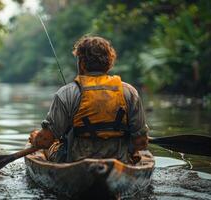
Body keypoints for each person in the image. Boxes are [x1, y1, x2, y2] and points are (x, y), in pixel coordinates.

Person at [29, 36, 149, 164]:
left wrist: (36, 138)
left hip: (76, 162)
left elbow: (45, 141)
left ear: (81, 64)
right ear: (109, 63)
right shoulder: (129, 92)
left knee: (48, 147)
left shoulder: (66, 94)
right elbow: (141, 142)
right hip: (119, 161)